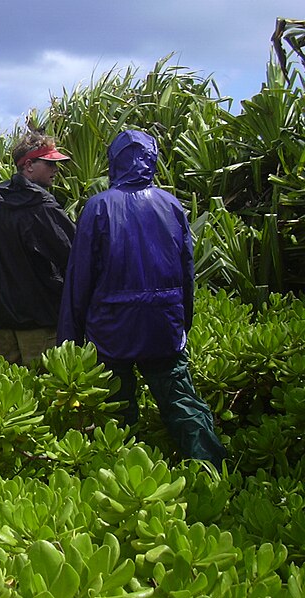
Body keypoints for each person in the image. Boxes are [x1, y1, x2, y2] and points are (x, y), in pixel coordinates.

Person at [57, 129, 226, 464]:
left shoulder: (98, 207)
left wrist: (70, 338)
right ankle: (212, 469)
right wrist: (183, 323)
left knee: (117, 410)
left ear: (113, 161)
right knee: (182, 403)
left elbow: (79, 278)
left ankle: (120, 473)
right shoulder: (171, 205)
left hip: (111, 328)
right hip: (162, 323)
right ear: (152, 159)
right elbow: (186, 272)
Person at [0, 132, 76, 367]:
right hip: (37, 322)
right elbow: (74, 253)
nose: (56, 170)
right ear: (29, 165)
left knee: (0, 390)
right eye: (50, 163)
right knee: (42, 394)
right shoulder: (41, 206)